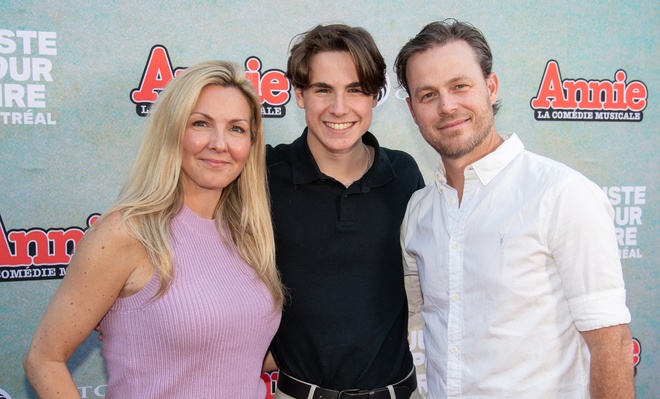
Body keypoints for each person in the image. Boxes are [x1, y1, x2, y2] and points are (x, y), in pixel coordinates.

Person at [394, 19, 635, 398]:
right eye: (428, 95)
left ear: (491, 88)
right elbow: (418, 327)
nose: (447, 106)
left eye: (460, 86)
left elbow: (612, 346)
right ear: (411, 108)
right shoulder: (419, 212)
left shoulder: (561, 194)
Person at [23, 60, 284, 398]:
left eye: (236, 128)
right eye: (201, 123)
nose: (219, 143)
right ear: (172, 130)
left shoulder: (250, 237)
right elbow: (44, 359)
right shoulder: (127, 233)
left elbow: (237, 353)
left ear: (251, 143)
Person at [266, 24, 424, 398]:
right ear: (300, 94)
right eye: (323, 90)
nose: (340, 108)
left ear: (374, 97)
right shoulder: (263, 175)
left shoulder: (403, 174)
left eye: (355, 90)